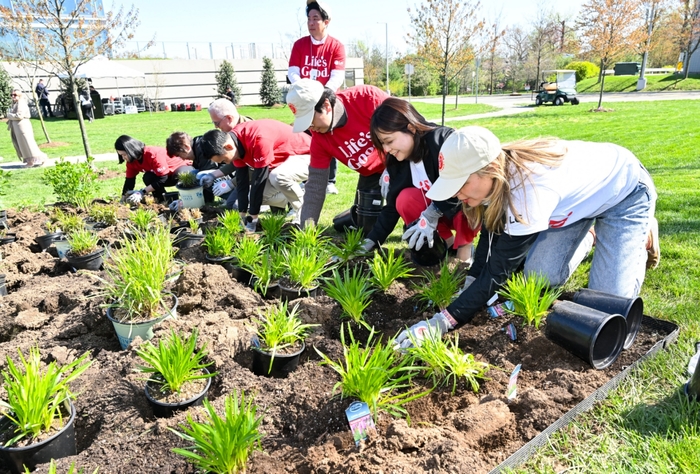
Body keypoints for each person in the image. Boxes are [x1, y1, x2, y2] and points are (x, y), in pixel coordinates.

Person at [395, 126, 659, 350]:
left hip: (624, 192)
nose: (458, 196)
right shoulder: (496, 180)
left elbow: (498, 272)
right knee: (539, 276)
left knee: (609, 307)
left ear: (489, 170)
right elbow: (490, 238)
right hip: (569, 207)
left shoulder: (528, 191)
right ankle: (589, 234)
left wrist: (441, 322)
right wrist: (471, 282)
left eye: (461, 184)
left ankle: (640, 232)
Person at [366, 98, 479, 262]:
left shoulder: (442, 142)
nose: (386, 149)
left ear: (410, 128)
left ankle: (464, 250)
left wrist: (431, 214)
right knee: (404, 199)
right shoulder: (397, 160)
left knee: (465, 197)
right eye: (382, 144)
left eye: (389, 141)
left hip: (464, 209)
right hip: (438, 216)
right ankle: (448, 244)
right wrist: (371, 240)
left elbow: (462, 186)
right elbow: (391, 207)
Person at [286, 78, 389, 228]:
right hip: (371, 173)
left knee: (411, 219)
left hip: (402, 163)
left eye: (310, 119)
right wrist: (306, 230)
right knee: (364, 227)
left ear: (326, 105)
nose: (310, 127)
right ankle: (351, 217)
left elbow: (407, 128)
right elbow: (316, 185)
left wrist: (393, 169)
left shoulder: (367, 98)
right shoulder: (319, 138)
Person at [199, 120, 311, 229]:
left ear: (228, 147)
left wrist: (253, 218)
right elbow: (242, 183)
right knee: (250, 198)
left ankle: (305, 214)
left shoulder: (258, 140)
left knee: (277, 177)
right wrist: (242, 216)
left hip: (310, 155)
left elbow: (259, 181)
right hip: (283, 163)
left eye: (224, 160)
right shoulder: (235, 145)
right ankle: (295, 195)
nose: (227, 163)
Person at [288, 0, 346, 195]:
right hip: (304, 98)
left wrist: (322, 94)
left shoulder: (336, 46)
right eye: (309, 19)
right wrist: (303, 88)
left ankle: (330, 180)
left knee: (329, 135)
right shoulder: (300, 45)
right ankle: (307, 176)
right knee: (307, 136)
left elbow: (337, 74)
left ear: (326, 21)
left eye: (316, 18)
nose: (311, 23)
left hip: (324, 100)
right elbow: (293, 72)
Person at [115, 135, 194, 203]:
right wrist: (123, 198)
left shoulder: (152, 154)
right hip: (165, 176)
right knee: (148, 177)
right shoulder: (131, 162)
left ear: (131, 151)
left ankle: (190, 200)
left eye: (124, 154)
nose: (123, 157)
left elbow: (162, 178)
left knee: (181, 174)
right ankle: (163, 201)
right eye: (121, 155)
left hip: (182, 170)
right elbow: (129, 181)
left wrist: (142, 192)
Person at [166, 131, 223, 204]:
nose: (182, 159)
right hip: (222, 174)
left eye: (179, 155)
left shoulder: (203, 149)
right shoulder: (196, 147)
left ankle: (230, 199)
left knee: (201, 176)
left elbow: (207, 175)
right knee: (193, 174)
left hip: (231, 176)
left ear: (186, 147)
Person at [6, 90, 47, 167]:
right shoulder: (16, 103)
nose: (13, 96)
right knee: (23, 145)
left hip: (23, 127)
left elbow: (19, 116)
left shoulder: (21, 103)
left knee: (28, 144)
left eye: (15, 95)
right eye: (11, 95)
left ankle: (41, 158)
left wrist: (9, 115)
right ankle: (30, 161)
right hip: (18, 127)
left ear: (20, 95)